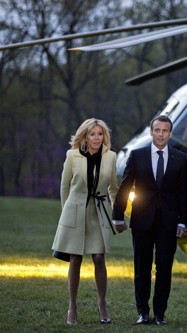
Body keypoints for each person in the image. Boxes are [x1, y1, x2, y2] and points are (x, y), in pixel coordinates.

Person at [112, 115, 187, 325]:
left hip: (169, 222)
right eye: (157, 130)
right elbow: (125, 187)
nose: (161, 134)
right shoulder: (137, 156)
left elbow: (183, 193)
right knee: (141, 268)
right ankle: (143, 313)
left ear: (170, 134)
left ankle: (160, 314)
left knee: (164, 268)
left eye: (165, 131)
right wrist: (118, 216)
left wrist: (182, 221)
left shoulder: (180, 158)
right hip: (142, 221)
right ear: (151, 132)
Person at [51, 118, 119, 325]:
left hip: (99, 212)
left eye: (100, 134)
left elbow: (113, 189)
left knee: (99, 257)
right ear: (85, 136)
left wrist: (116, 214)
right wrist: (67, 213)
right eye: (92, 134)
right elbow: (64, 187)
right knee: (75, 259)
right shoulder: (72, 155)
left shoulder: (111, 157)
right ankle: (72, 306)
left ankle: (102, 303)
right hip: (75, 210)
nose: (96, 138)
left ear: (104, 136)